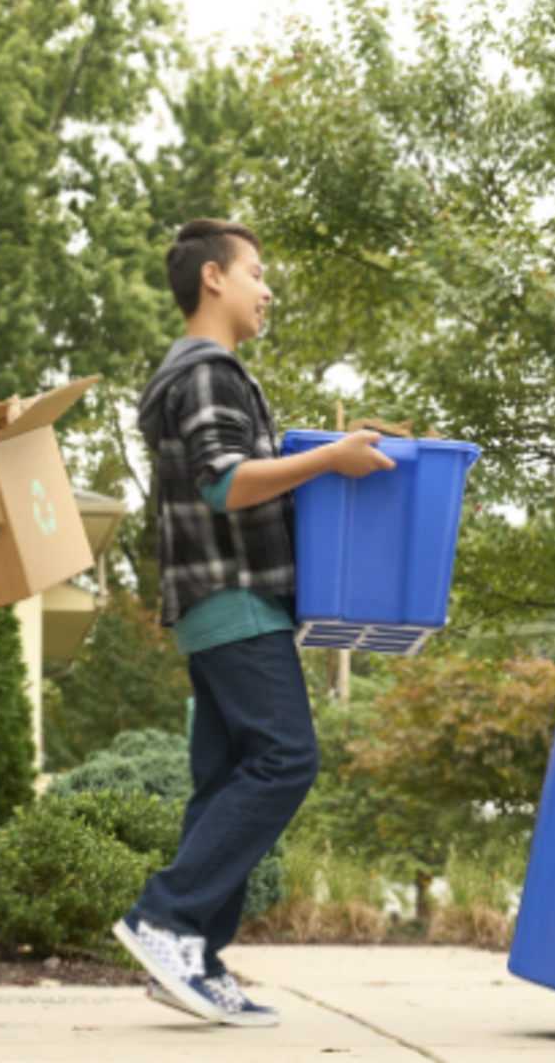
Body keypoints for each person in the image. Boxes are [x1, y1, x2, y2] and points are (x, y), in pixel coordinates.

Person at [111, 219, 393, 1027]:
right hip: (232, 600)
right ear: (212, 279)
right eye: (257, 273)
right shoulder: (206, 372)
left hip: (223, 603)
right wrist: (330, 458)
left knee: (228, 776)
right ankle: (164, 917)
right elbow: (224, 484)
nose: (267, 290)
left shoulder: (208, 374)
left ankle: (194, 952)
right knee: (285, 759)